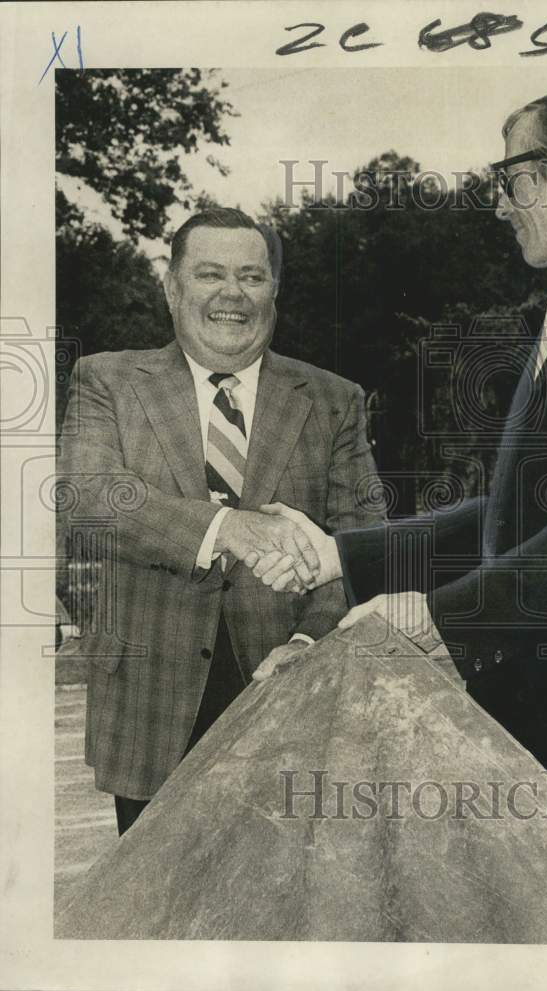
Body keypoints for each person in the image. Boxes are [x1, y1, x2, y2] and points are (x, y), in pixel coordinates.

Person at [255, 88, 547, 876]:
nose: (500, 204)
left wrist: (445, 619)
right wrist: (342, 556)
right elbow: (519, 516)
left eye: (509, 176)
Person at [57, 207, 381, 834]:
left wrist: (309, 642)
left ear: (274, 291)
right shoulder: (108, 379)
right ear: (172, 286)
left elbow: (361, 542)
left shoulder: (335, 400)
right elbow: (87, 493)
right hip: (149, 707)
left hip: (287, 697)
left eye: (252, 277)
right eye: (209, 274)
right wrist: (227, 528)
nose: (232, 294)